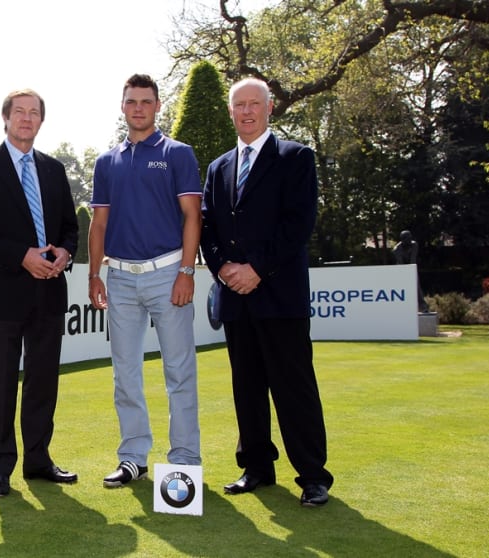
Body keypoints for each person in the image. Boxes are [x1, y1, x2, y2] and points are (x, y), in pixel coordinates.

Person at [200, 77, 334, 507]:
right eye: (239, 105)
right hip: (235, 299)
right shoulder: (218, 167)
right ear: (230, 112)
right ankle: (256, 466)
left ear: (270, 107)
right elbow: (208, 227)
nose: (247, 111)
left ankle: (313, 475)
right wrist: (222, 267)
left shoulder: (296, 158)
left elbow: (298, 224)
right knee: (248, 388)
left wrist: (256, 268)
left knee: (294, 387)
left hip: (280, 295)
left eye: (254, 104)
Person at [0, 88, 80, 498]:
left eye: (34, 113)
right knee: (3, 383)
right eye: (20, 112)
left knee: (43, 382)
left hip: (49, 291)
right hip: (3, 294)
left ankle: (39, 460)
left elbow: (69, 227)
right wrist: (21, 257)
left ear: (41, 121)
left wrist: (65, 251)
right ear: (6, 118)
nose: (26, 119)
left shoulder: (53, 170)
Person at [87, 73, 203, 488]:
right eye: (131, 101)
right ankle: (133, 457)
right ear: (123, 107)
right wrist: (94, 274)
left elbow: (193, 216)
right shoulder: (106, 161)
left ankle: (184, 460)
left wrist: (187, 271)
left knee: (179, 373)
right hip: (119, 279)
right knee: (126, 374)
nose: (138, 108)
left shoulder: (177, 154)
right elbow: (98, 224)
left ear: (157, 106)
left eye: (146, 101)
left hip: (169, 273)